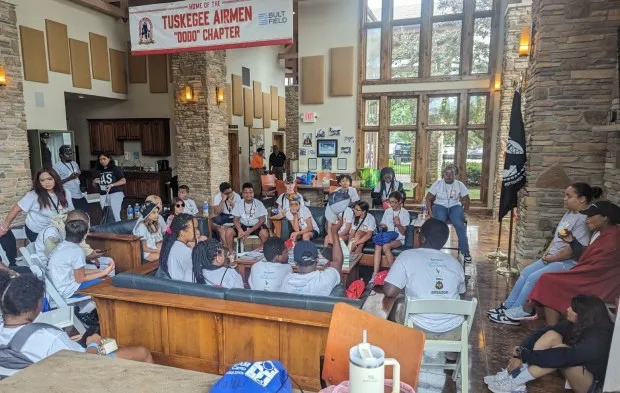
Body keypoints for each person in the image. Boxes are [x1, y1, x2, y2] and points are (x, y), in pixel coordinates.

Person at [488, 183, 599, 325]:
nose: (564, 199)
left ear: (582, 199)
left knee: (534, 277)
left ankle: (519, 312)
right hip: (553, 257)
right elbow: (557, 237)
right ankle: (508, 306)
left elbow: (572, 250)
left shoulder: (583, 220)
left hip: (567, 262)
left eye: (569, 196)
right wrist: (547, 253)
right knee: (526, 272)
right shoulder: (570, 213)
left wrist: (552, 258)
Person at [0, 272, 153, 369]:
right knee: (141, 352)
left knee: (111, 343)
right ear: (35, 306)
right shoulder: (50, 337)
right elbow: (86, 364)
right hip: (81, 370)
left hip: (44, 375)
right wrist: (92, 343)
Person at [484, 295, 613, 393]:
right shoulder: (581, 324)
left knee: (558, 354)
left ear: (584, 315)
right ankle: (514, 375)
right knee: (552, 335)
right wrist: (521, 353)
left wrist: (527, 355)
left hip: (592, 387)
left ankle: (517, 382)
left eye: (573, 309)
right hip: (577, 366)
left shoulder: (598, 339)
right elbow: (544, 331)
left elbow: (563, 357)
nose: (567, 309)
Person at [524, 200, 620, 326]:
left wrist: (572, 272)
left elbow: (597, 268)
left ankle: (552, 328)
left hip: (599, 284)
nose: (587, 219)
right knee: (548, 280)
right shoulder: (603, 234)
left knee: (549, 281)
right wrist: (573, 241)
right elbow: (589, 256)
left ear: (604, 218)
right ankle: (549, 323)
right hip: (593, 277)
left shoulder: (612, 238)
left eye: (591, 216)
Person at [383, 218, 465, 343]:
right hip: (453, 331)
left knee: (393, 304)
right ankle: (451, 356)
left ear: (422, 238)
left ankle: (401, 348)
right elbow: (462, 293)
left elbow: (389, 291)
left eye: (419, 232)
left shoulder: (407, 256)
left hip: (417, 329)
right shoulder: (455, 263)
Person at [1, 168, 74, 242]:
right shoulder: (33, 195)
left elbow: (70, 211)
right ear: (39, 182)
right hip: (37, 231)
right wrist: (4, 228)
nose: (47, 182)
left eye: (50, 179)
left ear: (56, 179)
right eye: (42, 180)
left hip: (58, 229)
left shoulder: (65, 192)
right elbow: (15, 209)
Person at [47, 220, 115, 300]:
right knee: (109, 282)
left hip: (60, 288)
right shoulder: (77, 251)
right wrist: (105, 272)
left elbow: (78, 271)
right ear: (85, 235)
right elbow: (80, 279)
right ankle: (92, 311)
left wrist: (100, 271)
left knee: (104, 277)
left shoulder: (62, 245)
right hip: (70, 291)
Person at [280, 220, 344, 296]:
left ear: (295, 262)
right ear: (317, 259)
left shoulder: (287, 281)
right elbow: (338, 261)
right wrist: (334, 232)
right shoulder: (325, 279)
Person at [35, 210, 112, 271]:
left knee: (108, 261)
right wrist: (85, 257)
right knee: (103, 269)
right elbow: (55, 259)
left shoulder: (71, 227)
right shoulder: (51, 234)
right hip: (53, 269)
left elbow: (81, 243)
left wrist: (91, 254)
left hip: (69, 261)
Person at [425, 165, 471, 263]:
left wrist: (465, 213)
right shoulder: (437, 184)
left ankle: (465, 252)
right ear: (443, 174)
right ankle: (436, 250)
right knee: (439, 224)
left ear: (455, 175)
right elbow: (428, 198)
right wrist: (430, 213)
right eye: (446, 174)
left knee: (459, 224)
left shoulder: (459, 185)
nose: (449, 176)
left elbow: (467, 199)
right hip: (440, 206)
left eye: (451, 174)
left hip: (455, 206)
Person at [372, 191, 411, 275]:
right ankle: (375, 274)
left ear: (400, 201)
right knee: (378, 245)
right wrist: (382, 226)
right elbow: (385, 226)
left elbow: (403, 232)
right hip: (388, 236)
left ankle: (393, 273)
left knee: (386, 246)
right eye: (390, 202)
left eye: (394, 202)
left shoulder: (405, 213)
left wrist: (398, 224)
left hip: (399, 238)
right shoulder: (388, 211)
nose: (391, 204)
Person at [225, 183, 270, 248]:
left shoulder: (259, 204)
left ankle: (263, 253)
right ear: (242, 194)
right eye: (246, 192)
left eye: (250, 192)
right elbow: (235, 219)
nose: (248, 194)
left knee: (264, 233)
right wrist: (240, 230)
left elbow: (262, 220)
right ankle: (231, 253)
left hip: (256, 226)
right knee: (229, 232)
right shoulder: (238, 204)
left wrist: (249, 231)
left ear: (253, 193)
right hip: (243, 225)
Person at [158, 214, 201, 282]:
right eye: (195, 229)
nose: (198, 232)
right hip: (183, 288)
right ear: (182, 232)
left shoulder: (174, 244)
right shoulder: (183, 251)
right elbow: (197, 274)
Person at [53, 145, 87, 213]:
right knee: (73, 217)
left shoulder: (74, 163)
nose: (70, 155)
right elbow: (55, 183)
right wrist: (69, 178)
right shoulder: (56, 166)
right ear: (61, 155)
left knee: (85, 214)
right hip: (68, 196)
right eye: (67, 154)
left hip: (79, 194)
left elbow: (78, 177)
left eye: (71, 153)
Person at [93, 153, 125, 222]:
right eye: (100, 160)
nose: (102, 161)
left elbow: (123, 181)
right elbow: (96, 186)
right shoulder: (100, 170)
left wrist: (112, 185)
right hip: (103, 194)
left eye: (104, 159)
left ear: (109, 159)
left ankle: (118, 231)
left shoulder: (115, 168)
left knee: (115, 215)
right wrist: (94, 182)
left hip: (115, 193)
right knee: (106, 214)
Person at [212, 182, 242, 249]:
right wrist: (222, 200)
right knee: (216, 219)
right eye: (227, 193)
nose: (230, 194)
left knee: (241, 220)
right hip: (223, 215)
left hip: (234, 216)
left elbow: (240, 212)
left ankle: (237, 242)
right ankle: (219, 242)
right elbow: (216, 213)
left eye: (231, 192)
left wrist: (232, 203)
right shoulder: (218, 197)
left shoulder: (237, 196)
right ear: (222, 193)